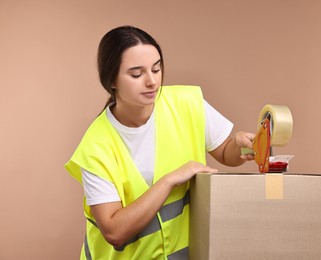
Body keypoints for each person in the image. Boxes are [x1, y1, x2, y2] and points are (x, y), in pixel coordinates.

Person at [65, 25, 255, 260]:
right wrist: (169, 181)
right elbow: (114, 230)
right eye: (137, 74)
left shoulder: (187, 103)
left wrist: (241, 144)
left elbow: (226, 152)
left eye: (156, 69)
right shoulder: (95, 146)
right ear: (111, 80)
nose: (152, 81)